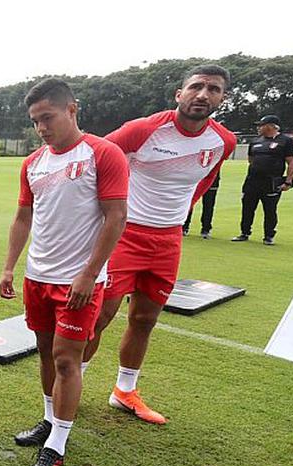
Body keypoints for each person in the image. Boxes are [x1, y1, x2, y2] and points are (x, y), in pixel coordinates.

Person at [82, 65, 237, 425]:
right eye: (196, 87)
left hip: (168, 240)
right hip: (124, 234)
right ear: (179, 94)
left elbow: (204, 180)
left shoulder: (223, 141)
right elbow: (96, 156)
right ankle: (73, 385)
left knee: (145, 319)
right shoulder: (144, 129)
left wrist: (179, 217)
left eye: (213, 89)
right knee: (99, 316)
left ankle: (124, 391)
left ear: (222, 98)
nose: (203, 94)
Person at [0, 79, 128, 466]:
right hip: (38, 276)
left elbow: (116, 216)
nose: (41, 128)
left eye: (47, 118)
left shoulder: (103, 154)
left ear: (72, 109)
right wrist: (8, 268)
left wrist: (89, 273)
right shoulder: (33, 163)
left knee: (67, 360)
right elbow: (23, 218)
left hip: (78, 282)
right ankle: (49, 418)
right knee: (43, 354)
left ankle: (56, 444)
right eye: (35, 121)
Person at [232, 115, 293, 245]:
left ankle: (269, 235)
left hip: (271, 182)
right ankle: (244, 233)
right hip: (252, 181)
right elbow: (251, 160)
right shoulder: (256, 141)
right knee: (247, 208)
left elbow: (291, 162)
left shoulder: (286, 141)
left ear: (270, 126)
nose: (258, 128)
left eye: (261, 125)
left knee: (270, 209)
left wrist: (288, 181)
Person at [183, 172, 219, 238]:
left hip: (212, 178)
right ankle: (184, 227)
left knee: (209, 204)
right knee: (189, 202)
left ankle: (206, 229)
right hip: (195, 178)